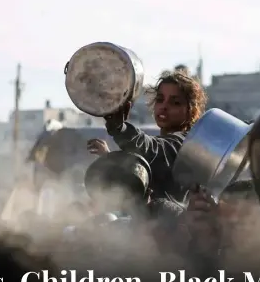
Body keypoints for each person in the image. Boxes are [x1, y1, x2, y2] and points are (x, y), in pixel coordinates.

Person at [87, 66, 207, 202]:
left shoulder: (183, 144)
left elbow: (151, 149)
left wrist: (120, 128)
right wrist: (109, 157)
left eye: (175, 103)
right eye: (160, 99)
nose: (164, 106)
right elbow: (139, 174)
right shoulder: (166, 144)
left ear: (191, 110)